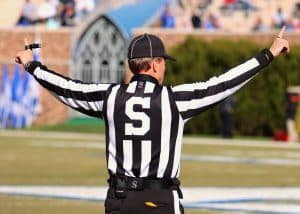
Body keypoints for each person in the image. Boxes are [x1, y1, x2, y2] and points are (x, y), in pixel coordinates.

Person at [15, 27, 289, 213]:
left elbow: (67, 88)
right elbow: (223, 83)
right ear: (156, 64)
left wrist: (31, 65)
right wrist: (268, 54)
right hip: (159, 199)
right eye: (164, 62)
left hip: (119, 199)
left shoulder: (109, 96)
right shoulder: (175, 99)